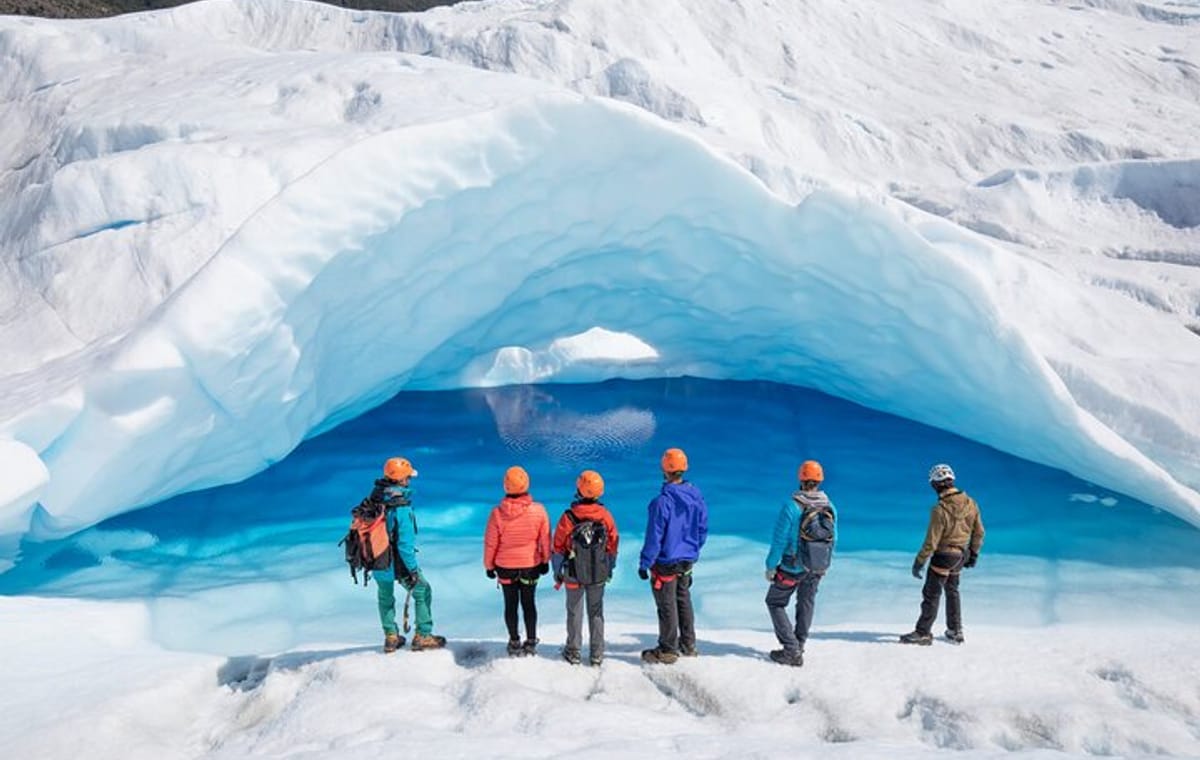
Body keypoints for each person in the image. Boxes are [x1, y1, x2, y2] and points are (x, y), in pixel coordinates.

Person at [900, 463, 985, 646]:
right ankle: (955, 631)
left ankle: (923, 632)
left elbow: (932, 541)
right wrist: (974, 553)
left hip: (944, 555)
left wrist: (919, 561)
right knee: (952, 591)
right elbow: (979, 532)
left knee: (932, 594)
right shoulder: (971, 503)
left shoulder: (939, 509)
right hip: (961, 555)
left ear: (936, 485)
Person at [638, 447, 709, 665]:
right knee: (683, 600)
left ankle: (668, 649)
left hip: (666, 562)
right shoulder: (696, 497)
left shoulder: (661, 502)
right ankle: (688, 644)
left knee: (666, 605)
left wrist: (645, 562)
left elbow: (654, 536)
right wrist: (693, 549)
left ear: (664, 470)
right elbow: (702, 528)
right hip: (687, 559)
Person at [764, 460, 837, 667]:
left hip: (791, 566)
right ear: (820, 480)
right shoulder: (829, 506)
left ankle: (791, 649)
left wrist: (770, 566)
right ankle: (799, 644)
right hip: (816, 566)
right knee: (806, 603)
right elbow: (834, 538)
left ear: (801, 479)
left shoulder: (792, 506)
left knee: (775, 602)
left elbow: (779, 540)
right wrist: (824, 564)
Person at [370, 457, 446, 653]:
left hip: (377, 558)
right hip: (398, 562)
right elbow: (404, 545)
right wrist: (412, 570)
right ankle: (423, 635)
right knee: (422, 591)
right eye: (407, 477)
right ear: (401, 479)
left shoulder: (376, 499)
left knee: (385, 597)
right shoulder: (401, 508)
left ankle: (391, 637)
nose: (409, 481)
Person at [551, 469, 620, 666]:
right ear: (600, 492)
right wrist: (609, 568)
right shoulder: (605, 516)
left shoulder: (569, 517)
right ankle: (597, 653)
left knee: (574, 611)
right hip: (598, 573)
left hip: (573, 573)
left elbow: (558, 547)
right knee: (596, 611)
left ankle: (573, 651)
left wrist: (558, 572)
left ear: (579, 491)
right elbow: (613, 544)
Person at [484, 466, 552, 656]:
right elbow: (545, 539)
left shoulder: (497, 513)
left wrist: (489, 566)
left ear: (505, 486)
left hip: (505, 567)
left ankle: (514, 641)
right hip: (531, 565)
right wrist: (545, 560)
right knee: (529, 603)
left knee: (510, 605)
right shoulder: (539, 511)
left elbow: (491, 543)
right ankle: (530, 641)